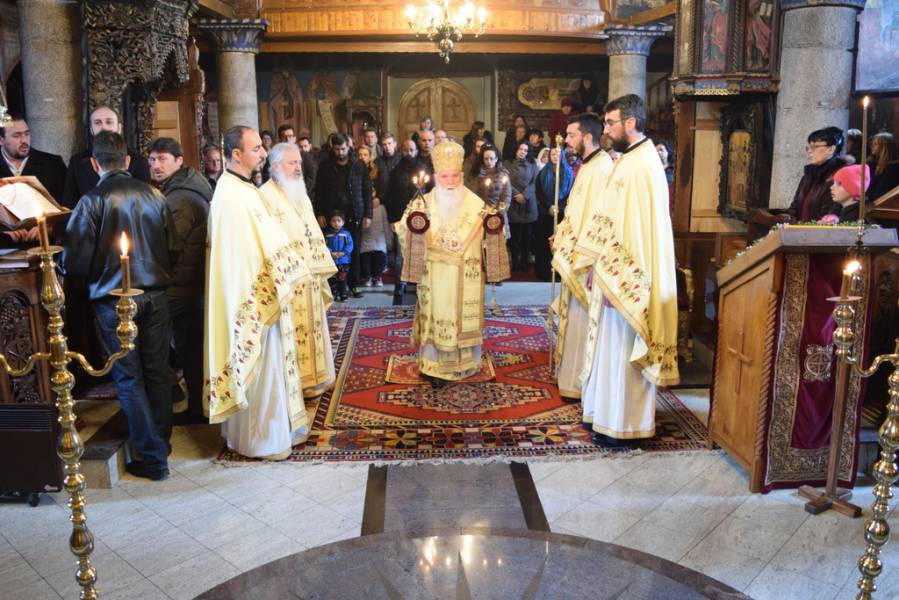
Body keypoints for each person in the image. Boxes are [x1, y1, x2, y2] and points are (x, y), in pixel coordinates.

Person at [61, 131, 176, 480]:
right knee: (157, 371)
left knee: (128, 377)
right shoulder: (155, 194)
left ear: (95, 164)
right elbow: (171, 247)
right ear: (127, 160)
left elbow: (75, 262)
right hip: (156, 294)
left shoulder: (91, 201)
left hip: (113, 301)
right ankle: (161, 444)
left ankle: (153, 458)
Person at [575, 95, 679, 445]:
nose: (605, 130)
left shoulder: (641, 165)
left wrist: (615, 278)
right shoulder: (630, 160)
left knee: (623, 350)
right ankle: (603, 416)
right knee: (609, 350)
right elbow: (611, 219)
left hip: (627, 279)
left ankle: (624, 426)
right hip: (611, 271)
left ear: (630, 123)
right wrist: (597, 266)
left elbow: (635, 232)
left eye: (610, 123)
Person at [206, 125, 312, 461]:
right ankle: (262, 441)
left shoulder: (242, 189)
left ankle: (269, 434)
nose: (263, 153)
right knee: (262, 372)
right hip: (253, 297)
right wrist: (281, 274)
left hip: (264, 289)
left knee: (270, 370)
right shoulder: (231, 195)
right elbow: (243, 256)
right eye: (256, 149)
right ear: (236, 154)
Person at [396, 141, 507, 385]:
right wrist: (413, 227)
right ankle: (432, 365)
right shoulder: (421, 204)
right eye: (445, 176)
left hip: (464, 274)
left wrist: (494, 225)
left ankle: (466, 364)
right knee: (435, 314)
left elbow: (494, 235)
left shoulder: (477, 205)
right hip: (434, 276)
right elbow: (404, 232)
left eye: (455, 176)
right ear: (436, 177)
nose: (450, 181)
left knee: (461, 317)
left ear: (462, 176)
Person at [259, 142, 338, 398]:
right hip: (288, 280)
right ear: (275, 166)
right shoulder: (264, 196)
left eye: (299, 163)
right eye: (292, 163)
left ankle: (317, 378)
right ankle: (294, 384)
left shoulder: (300, 194)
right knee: (291, 332)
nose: (298, 168)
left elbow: (311, 230)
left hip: (309, 275)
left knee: (313, 328)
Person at [148, 137, 212, 426]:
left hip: (179, 286)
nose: (156, 165)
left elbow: (168, 247)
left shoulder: (180, 198)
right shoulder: (185, 187)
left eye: (163, 159)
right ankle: (197, 407)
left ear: (179, 160)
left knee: (145, 339)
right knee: (190, 348)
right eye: (152, 160)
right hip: (190, 284)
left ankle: (167, 400)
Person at [550, 113, 614, 400]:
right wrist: (561, 235)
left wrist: (590, 260)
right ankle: (569, 377)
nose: (567, 141)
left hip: (586, 259)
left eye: (571, 135)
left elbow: (600, 219)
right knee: (574, 318)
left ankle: (578, 383)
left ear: (587, 137)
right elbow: (577, 213)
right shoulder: (587, 166)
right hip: (574, 252)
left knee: (582, 321)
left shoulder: (602, 169)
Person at [313, 133, 372, 298]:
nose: (340, 152)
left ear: (349, 146)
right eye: (337, 149)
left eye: (343, 149)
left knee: (354, 251)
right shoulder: (325, 165)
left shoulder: (358, 164)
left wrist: (368, 214)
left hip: (354, 214)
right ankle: (335, 287)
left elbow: (367, 190)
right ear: (332, 148)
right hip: (331, 215)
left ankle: (355, 285)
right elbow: (319, 191)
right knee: (332, 250)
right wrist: (319, 213)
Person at [62, 105, 151, 208]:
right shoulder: (77, 162)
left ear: (119, 127)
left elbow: (145, 203)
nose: (103, 127)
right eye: (97, 123)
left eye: (109, 122)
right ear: (91, 129)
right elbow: (69, 204)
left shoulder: (139, 162)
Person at [386, 139, 433, 304]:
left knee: (422, 251)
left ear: (416, 151)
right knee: (400, 253)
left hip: (421, 218)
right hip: (401, 218)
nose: (409, 153)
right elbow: (390, 197)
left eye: (412, 150)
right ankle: (400, 284)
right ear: (401, 151)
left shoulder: (423, 169)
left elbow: (431, 192)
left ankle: (421, 283)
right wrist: (392, 219)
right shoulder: (396, 171)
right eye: (405, 150)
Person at [787, 127, 850, 222]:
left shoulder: (840, 175)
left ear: (831, 149)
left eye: (815, 147)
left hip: (822, 229)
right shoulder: (808, 175)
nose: (810, 151)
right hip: (801, 229)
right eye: (809, 147)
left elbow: (831, 213)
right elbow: (794, 208)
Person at [0, 114, 67, 201]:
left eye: (27, 134)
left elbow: (66, 204)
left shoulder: (53, 164)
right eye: (17, 135)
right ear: (1, 140)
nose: (24, 140)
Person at [535, 146, 573, 281]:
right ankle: (544, 272)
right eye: (552, 154)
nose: (555, 157)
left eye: (557, 154)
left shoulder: (568, 173)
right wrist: (549, 206)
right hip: (546, 213)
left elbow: (570, 193)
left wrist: (559, 207)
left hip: (561, 213)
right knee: (545, 242)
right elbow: (539, 193)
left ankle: (559, 272)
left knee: (560, 242)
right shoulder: (543, 173)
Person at [505, 141, 539, 273]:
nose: (522, 152)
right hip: (513, 203)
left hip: (528, 203)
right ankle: (515, 262)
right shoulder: (507, 163)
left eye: (525, 150)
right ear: (516, 149)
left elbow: (535, 182)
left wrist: (524, 195)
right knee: (513, 238)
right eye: (520, 149)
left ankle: (525, 262)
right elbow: (505, 181)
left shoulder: (533, 164)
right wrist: (516, 194)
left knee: (527, 237)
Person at [471, 144, 511, 241]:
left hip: (499, 214)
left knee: (499, 243)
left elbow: (507, 195)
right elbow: (474, 195)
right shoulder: (477, 175)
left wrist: (499, 211)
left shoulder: (503, 175)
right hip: (482, 214)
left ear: (496, 159)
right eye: (486, 159)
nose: (489, 161)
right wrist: (483, 210)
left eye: (491, 159)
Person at [325, 210, 353, 301]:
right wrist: (330, 253)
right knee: (332, 278)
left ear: (343, 222)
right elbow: (324, 245)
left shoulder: (346, 234)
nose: (336, 223)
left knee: (342, 277)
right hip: (331, 260)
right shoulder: (327, 234)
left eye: (338, 220)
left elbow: (350, 245)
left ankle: (343, 293)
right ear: (330, 222)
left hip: (343, 260)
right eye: (334, 220)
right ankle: (333, 293)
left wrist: (344, 252)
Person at [868, 132, 899, 202]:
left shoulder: (893, 167)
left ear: (885, 147)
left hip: (880, 202)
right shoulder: (873, 163)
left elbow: (882, 191)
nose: (872, 146)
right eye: (872, 143)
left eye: (875, 144)